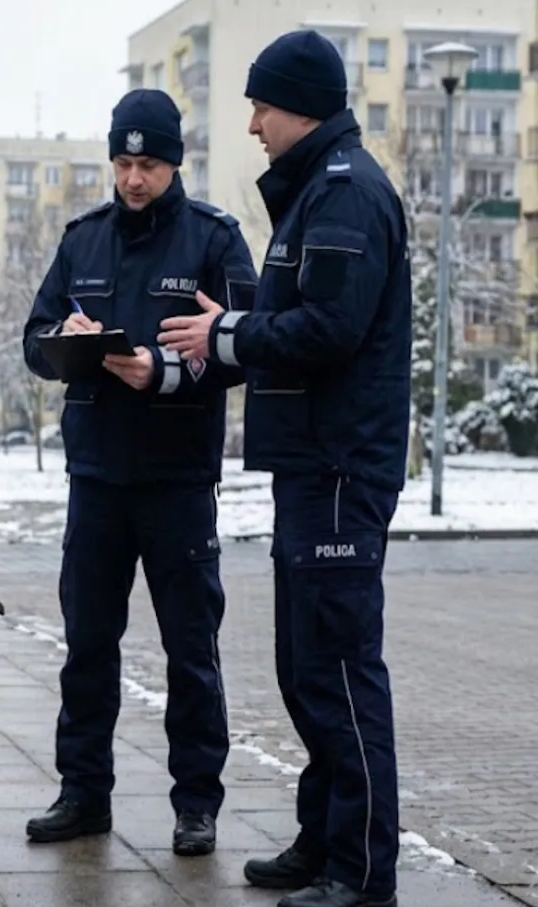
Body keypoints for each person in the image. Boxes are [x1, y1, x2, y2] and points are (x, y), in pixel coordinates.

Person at [157, 29, 411, 907]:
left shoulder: (343, 195)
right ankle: (323, 837)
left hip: (341, 467)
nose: (254, 123)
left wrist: (227, 334)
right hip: (314, 467)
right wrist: (243, 314)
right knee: (307, 669)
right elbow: (311, 308)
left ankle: (363, 870)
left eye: (262, 105)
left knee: (339, 670)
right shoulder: (318, 196)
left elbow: (332, 331)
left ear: (301, 105)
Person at [20, 88, 259, 857]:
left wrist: (162, 369)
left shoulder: (214, 239)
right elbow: (34, 338)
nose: (131, 179)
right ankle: (83, 793)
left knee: (192, 650)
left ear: (173, 162)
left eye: (147, 164)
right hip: (95, 477)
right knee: (89, 645)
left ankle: (197, 803)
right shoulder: (83, 240)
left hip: (177, 482)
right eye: (121, 163)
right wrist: (69, 336)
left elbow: (248, 347)